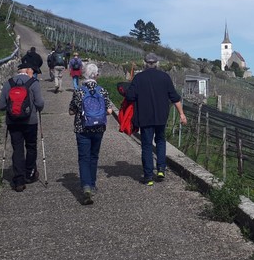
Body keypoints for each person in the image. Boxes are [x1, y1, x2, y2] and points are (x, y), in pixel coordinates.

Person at [124, 52, 187, 185]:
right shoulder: (165, 77)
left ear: (145, 63)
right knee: (160, 141)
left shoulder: (139, 78)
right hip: (161, 117)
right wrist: (181, 114)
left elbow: (130, 96)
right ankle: (160, 169)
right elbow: (175, 98)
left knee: (146, 145)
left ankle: (148, 177)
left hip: (145, 116)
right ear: (157, 63)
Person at [68, 62, 115, 205]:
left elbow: (71, 111)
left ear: (84, 74)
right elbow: (109, 111)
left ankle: (86, 186)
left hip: (82, 128)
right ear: (96, 75)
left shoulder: (79, 91)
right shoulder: (103, 91)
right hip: (98, 129)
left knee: (84, 158)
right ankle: (93, 184)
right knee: (94, 156)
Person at [0, 57, 45, 192]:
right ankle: (30, 174)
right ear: (28, 70)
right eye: (32, 71)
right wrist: (37, 109)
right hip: (30, 121)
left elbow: (0, 106)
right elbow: (40, 103)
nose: (33, 73)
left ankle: (19, 180)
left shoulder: (9, 83)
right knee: (31, 146)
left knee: (17, 148)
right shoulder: (33, 83)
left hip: (13, 121)